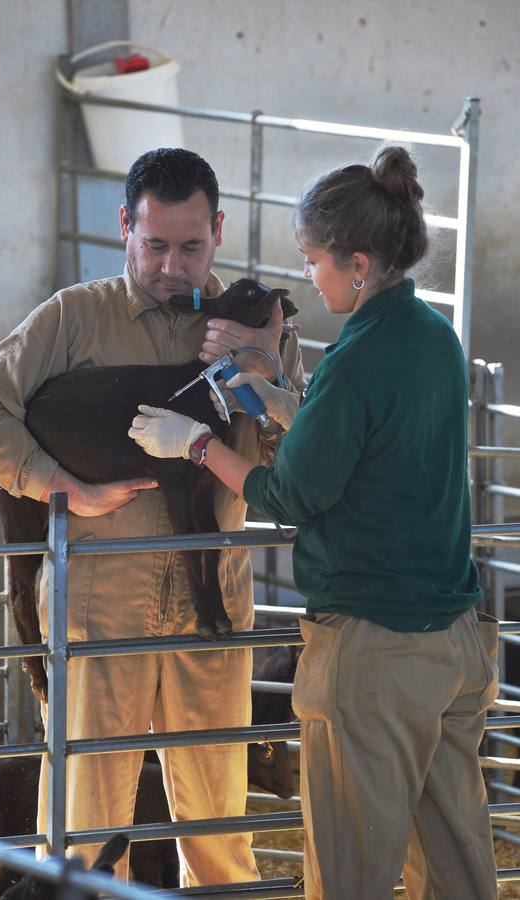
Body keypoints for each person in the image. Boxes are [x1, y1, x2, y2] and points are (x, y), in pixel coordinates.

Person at [129, 146, 499, 899]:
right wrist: (284, 400)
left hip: (373, 652)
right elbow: (376, 456)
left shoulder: (356, 357)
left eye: (314, 260)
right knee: (457, 863)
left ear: (358, 264)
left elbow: (289, 496)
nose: (311, 277)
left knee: (351, 869)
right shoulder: (431, 337)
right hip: (453, 641)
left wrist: (195, 444)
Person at [0, 147, 305, 886]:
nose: (174, 267)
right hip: (100, 608)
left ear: (220, 230)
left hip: (213, 604)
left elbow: (307, 449)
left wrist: (265, 369)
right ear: (124, 228)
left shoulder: (256, 322)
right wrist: (60, 485)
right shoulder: (76, 318)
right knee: (82, 818)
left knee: (217, 823)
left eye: (192, 247)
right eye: (156, 245)